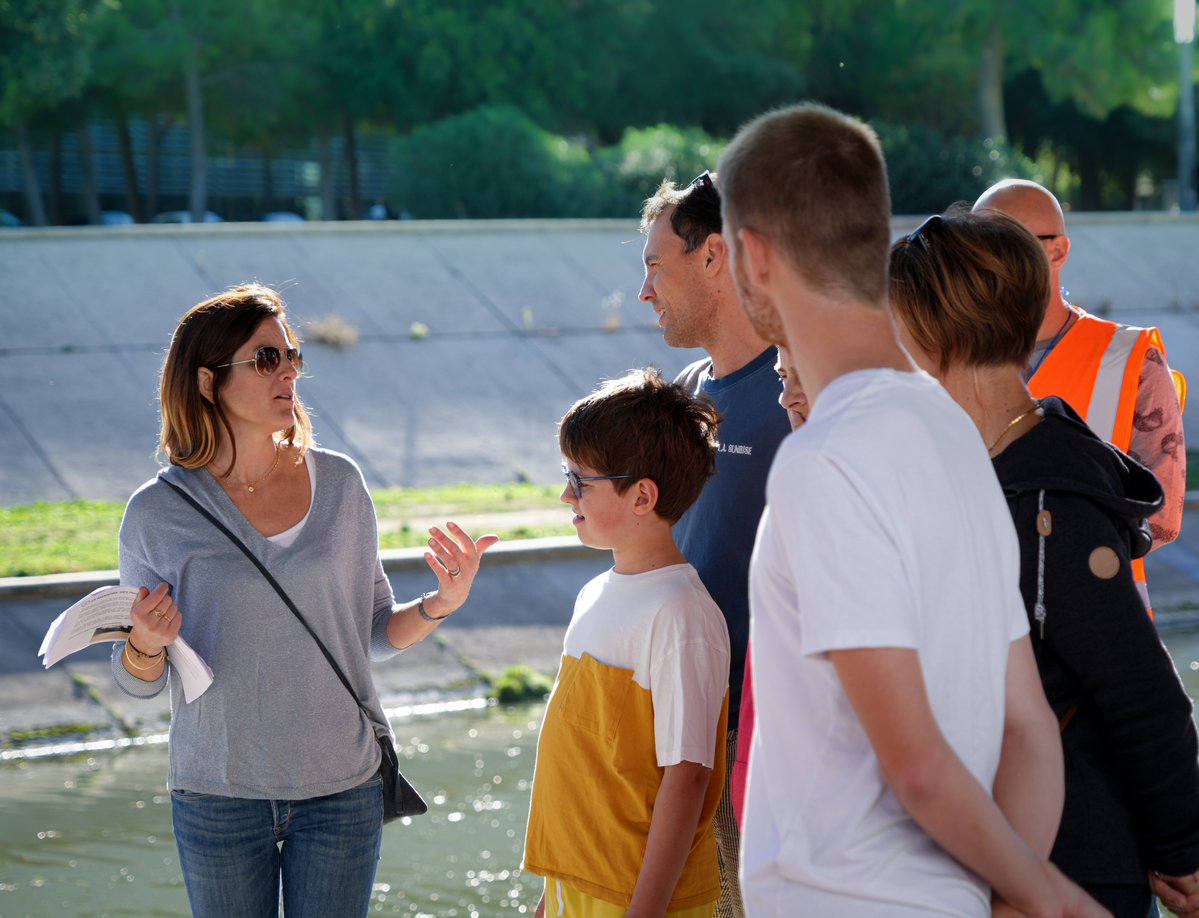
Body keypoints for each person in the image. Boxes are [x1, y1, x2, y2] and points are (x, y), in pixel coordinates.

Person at [717, 102, 1103, 916]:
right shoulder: (954, 433)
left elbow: (919, 766)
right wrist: (1013, 896)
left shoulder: (822, 460)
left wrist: (1050, 899)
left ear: (753, 255)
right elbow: (1028, 730)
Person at [110, 284, 498, 918]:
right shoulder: (156, 513)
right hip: (218, 794)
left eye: (292, 355)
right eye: (266, 359)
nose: (289, 369)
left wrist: (442, 603)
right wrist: (145, 645)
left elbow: (371, 633)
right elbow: (137, 685)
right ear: (207, 382)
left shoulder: (341, 484)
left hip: (343, 791)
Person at [890, 208, 1199, 918]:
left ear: (940, 334)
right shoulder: (985, 467)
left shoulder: (1047, 495)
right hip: (995, 857)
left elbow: (1139, 691)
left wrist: (1180, 851)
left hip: (1070, 863)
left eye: (898, 326)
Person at [522, 368, 730, 918]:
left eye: (580, 480)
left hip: (638, 899)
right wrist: (551, 899)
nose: (567, 493)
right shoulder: (594, 594)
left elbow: (687, 780)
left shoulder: (682, 615)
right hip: (578, 884)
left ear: (642, 496)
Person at [639, 171, 791, 915]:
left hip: (767, 750)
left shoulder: (801, 393)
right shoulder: (690, 389)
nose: (643, 292)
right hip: (682, 738)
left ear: (713, 258)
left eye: (652, 266)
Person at [973, 179, 1186, 613]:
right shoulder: (945, 359)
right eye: (974, 245)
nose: (987, 260)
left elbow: (1161, 516)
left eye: (1007, 243)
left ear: (1059, 251)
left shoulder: (1132, 359)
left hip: (1101, 618)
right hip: (976, 617)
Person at [729, 343, 807, 827]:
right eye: (783, 376)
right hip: (762, 773)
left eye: (804, 375)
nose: (785, 398)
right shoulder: (793, 490)